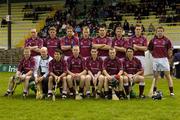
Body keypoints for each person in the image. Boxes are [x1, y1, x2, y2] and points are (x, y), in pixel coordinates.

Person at [148, 26, 174, 96]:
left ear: (163, 32)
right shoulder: (153, 40)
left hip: (164, 59)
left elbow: (170, 50)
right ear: (156, 32)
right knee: (156, 76)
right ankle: (154, 92)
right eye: (158, 31)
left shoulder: (167, 40)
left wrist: (169, 58)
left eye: (161, 31)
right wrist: (153, 54)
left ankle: (171, 92)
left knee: (167, 75)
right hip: (155, 59)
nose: (159, 32)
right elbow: (150, 49)